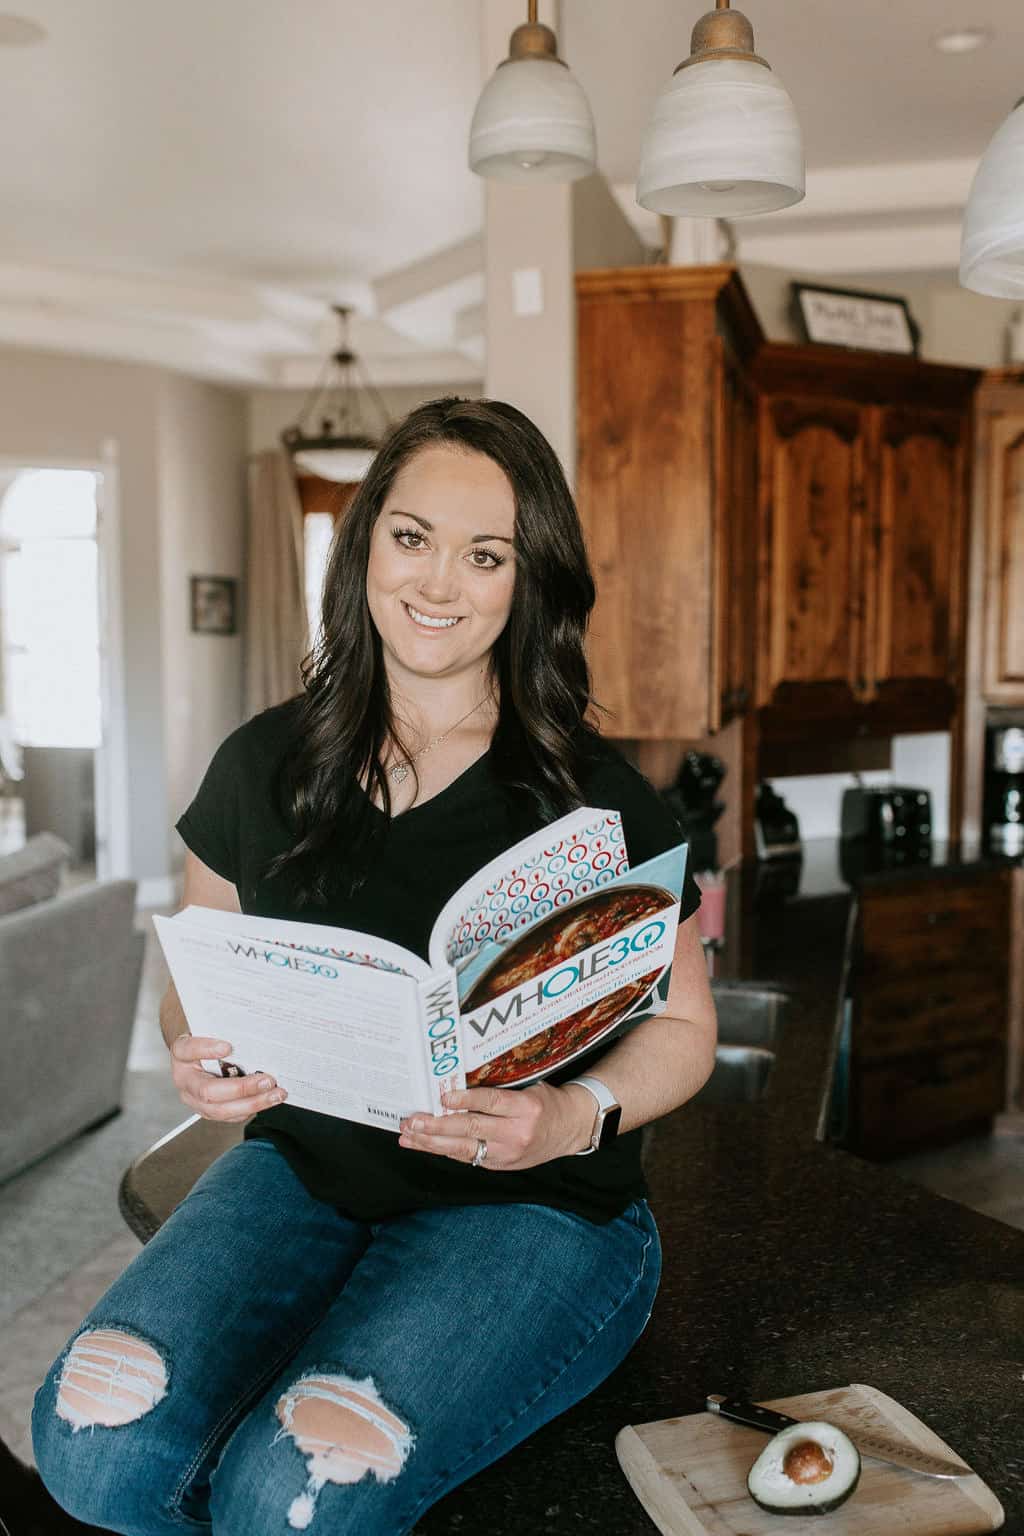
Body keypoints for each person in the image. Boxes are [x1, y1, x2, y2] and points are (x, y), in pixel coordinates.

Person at [30, 397, 717, 1536]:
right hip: (303, 1166)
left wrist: (570, 1114)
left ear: (525, 579)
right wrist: (191, 1053)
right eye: (411, 538)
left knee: (293, 1496)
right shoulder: (262, 763)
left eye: (484, 554)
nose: (438, 584)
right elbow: (194, 976)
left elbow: (685, 1030)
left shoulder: (593, 800)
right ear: (362, 551)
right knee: (92, 1441)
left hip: (535, 1203)